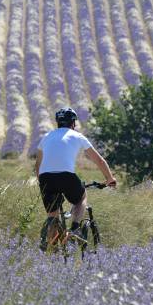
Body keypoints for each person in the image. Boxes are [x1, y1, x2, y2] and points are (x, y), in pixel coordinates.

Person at [36, 107, 116, 250]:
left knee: (52, 215)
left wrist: (42, 183)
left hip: (45, 178)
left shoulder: (47, 136)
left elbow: (38, 165)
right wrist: (110, 178)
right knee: (81, 198)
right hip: (66, 176)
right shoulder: (77, 136)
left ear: (58, 123)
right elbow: (99, 161)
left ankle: (51, 247)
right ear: (73, 123)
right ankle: (74, 229)